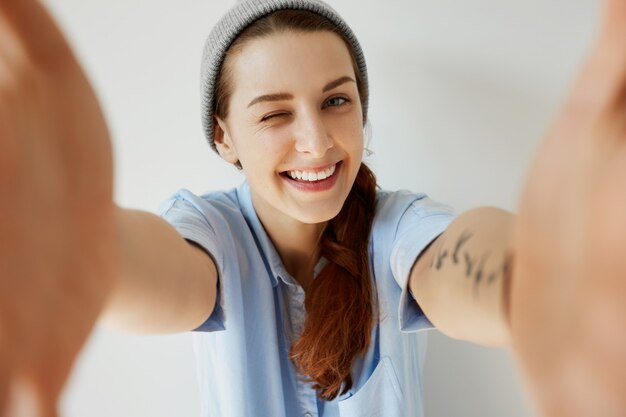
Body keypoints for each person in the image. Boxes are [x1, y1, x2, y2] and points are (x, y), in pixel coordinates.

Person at [0, 0, 624, 417]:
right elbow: (155, 268)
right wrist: (80, 246)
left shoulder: (395, 226)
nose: (318, 142)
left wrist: (547, 275)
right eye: (274, 114)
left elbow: (462, 260)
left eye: (336, 101)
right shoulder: (213, 234)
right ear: (224, 138)